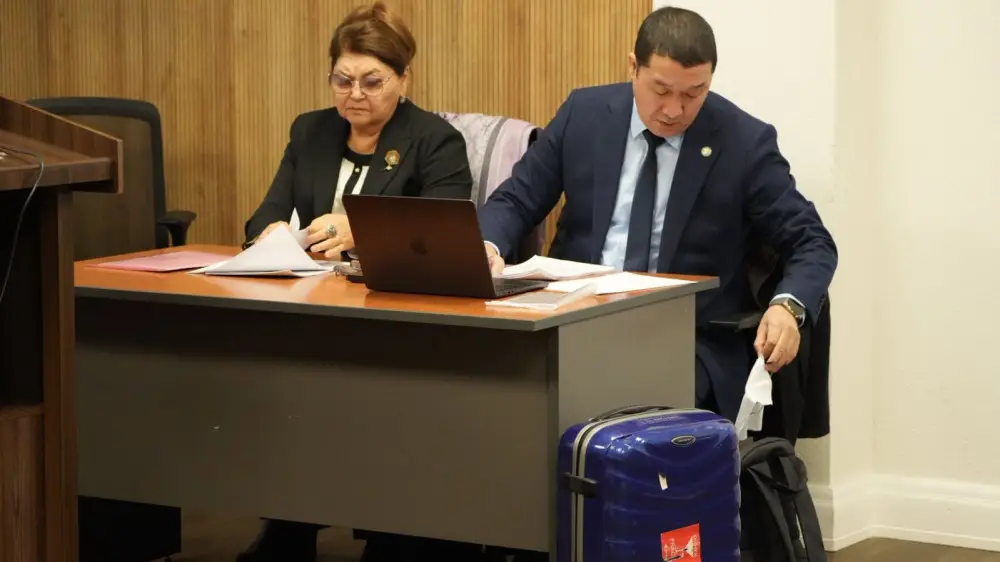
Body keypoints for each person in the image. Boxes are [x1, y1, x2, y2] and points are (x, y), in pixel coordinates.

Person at [478, 6, 838, 424]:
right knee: (493, 392)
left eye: (693, 93)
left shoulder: (743, 142)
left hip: (684, 342)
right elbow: (517, 198)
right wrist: (486, 246)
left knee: (617, 408)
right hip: (572, 323)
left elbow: (812, 241)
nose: (674, 110)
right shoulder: (584, 114)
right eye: (661, 90)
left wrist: (788, 307)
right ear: (633, 67)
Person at [238, 3, 479, 562]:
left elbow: (443, 237)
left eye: (372, 81)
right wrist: (272, 232)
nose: (355, 95)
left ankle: (391, 532)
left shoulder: (435, 141)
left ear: (403, 79)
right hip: (313, 310)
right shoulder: (311, 131)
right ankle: (289, 524)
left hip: (399, 320)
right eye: (342, 80)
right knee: (277, 380)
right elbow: (263, 216)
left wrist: (360, 230)